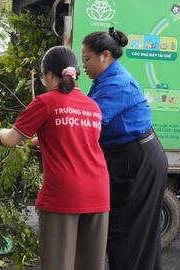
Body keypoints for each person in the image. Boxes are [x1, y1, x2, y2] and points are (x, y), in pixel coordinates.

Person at [0, 46, 110, 270]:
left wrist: (0, 133)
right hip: (98, 191)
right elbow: (78, 137)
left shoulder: (46, 101)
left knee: (58, 264)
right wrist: (44, 138)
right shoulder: (93, 106)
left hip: (64, 194)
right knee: (90, 265)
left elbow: (11, 140)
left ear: (49, 75)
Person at [82, 28, 168, 270]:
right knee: (130, 233)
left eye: (87, 59)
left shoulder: (118, 84)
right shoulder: (103, 81)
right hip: (126, 157)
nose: (84, 65)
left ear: (105, 56)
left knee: (128, 235)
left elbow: (88, 124)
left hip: (138, 160)